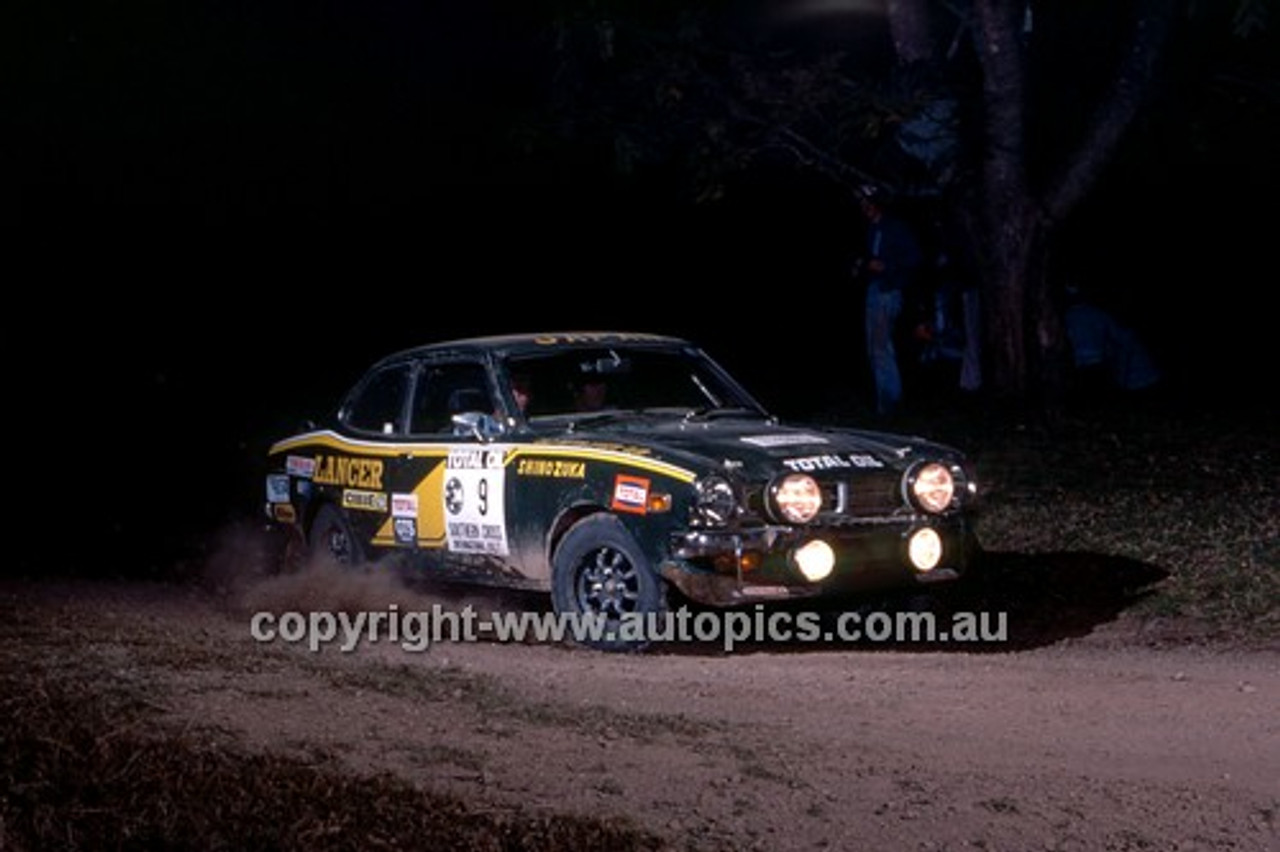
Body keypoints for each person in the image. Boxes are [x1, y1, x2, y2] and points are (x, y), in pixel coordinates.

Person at [854, 186, 923, 416]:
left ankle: (890, 401)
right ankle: (885, 400)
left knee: (882, 347)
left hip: (889, 290)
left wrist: (887, 267)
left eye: (868, 203)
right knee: (876, 347)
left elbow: (913, 258)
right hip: (876, 289)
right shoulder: (872, 230)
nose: (865, 208)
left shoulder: (894, 227)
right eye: (862, 204)